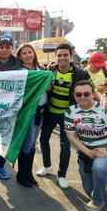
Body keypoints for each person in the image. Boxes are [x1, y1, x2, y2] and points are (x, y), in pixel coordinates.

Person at [37, 43, 92, 189]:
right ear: (56, 57)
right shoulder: (50, 70)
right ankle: (47, 165)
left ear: (71, 56)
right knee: (43, 140)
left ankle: (62, 175)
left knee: (65, 145)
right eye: (59, 55)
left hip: (68, 116)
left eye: (65, 55)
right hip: (50, 113)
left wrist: (102, 102)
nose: (62, 58)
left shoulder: (81, 74)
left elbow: (90, 91)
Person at [64, 80, 107, 211]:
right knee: (88, 189)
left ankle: (98, 201)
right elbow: (71, 136)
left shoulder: (106, 109)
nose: (82, 97)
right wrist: (87, 152)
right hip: (86, 151)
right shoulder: (70, 111)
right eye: (78, 94)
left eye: (86, 94)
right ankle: (103, 180)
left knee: (99, 168)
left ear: (93, 94)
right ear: (74, 96)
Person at [15, 44, 48, 187]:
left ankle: (29, 173)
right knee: (27, 143)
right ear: (20, 57)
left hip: (42, 110)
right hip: (29, 112)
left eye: (30, 52)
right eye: (24, 53)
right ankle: (21, 174)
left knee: (33, 143)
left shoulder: (41, 70)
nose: (28, 55)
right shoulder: (20, 72)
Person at [0, 35, 21, 180]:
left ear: (12, 48)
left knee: (4, 136)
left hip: (9, 106)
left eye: (7, 47)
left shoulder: (18, 63)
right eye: (1, 47)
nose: (4, 50)